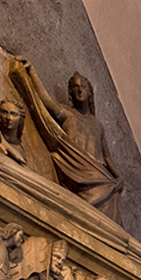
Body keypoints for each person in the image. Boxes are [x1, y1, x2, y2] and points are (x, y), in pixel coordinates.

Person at [9, 60, 122, 220]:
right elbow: (46, 100)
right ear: (71, 93)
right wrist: (32, 72)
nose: (80, 89)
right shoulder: (68, 114)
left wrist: (118, 176)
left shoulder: (98, 125)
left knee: (111, 190)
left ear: (90, 92)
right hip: (73, 166)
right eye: (75, 87)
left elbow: (107, 156)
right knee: (107, 187)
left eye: (83, 86)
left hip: (97, 171)